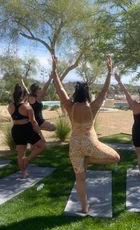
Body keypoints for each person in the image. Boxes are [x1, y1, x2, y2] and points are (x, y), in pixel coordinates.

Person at [52, 55, 120, 214]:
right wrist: (109, 72)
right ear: (88, 93)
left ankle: (84, 208)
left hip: (74, 146)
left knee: (80, 179)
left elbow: (60, 89)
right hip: (91, 144)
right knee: (115, 158)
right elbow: (104, 91)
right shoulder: (94, 106)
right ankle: (88, 159)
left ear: (76, 94)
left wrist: (54, 71)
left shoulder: (70, 106)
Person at [8, 80, 46, 178]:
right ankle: (28, 159)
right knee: (43, 146)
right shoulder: (27, 107)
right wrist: (41, 135)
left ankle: (23, 173)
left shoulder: (10, 106)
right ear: (24, 95)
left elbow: (15, 117)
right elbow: (34, 122)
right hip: (27, 129)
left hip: (16, 130)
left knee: (20, 153)